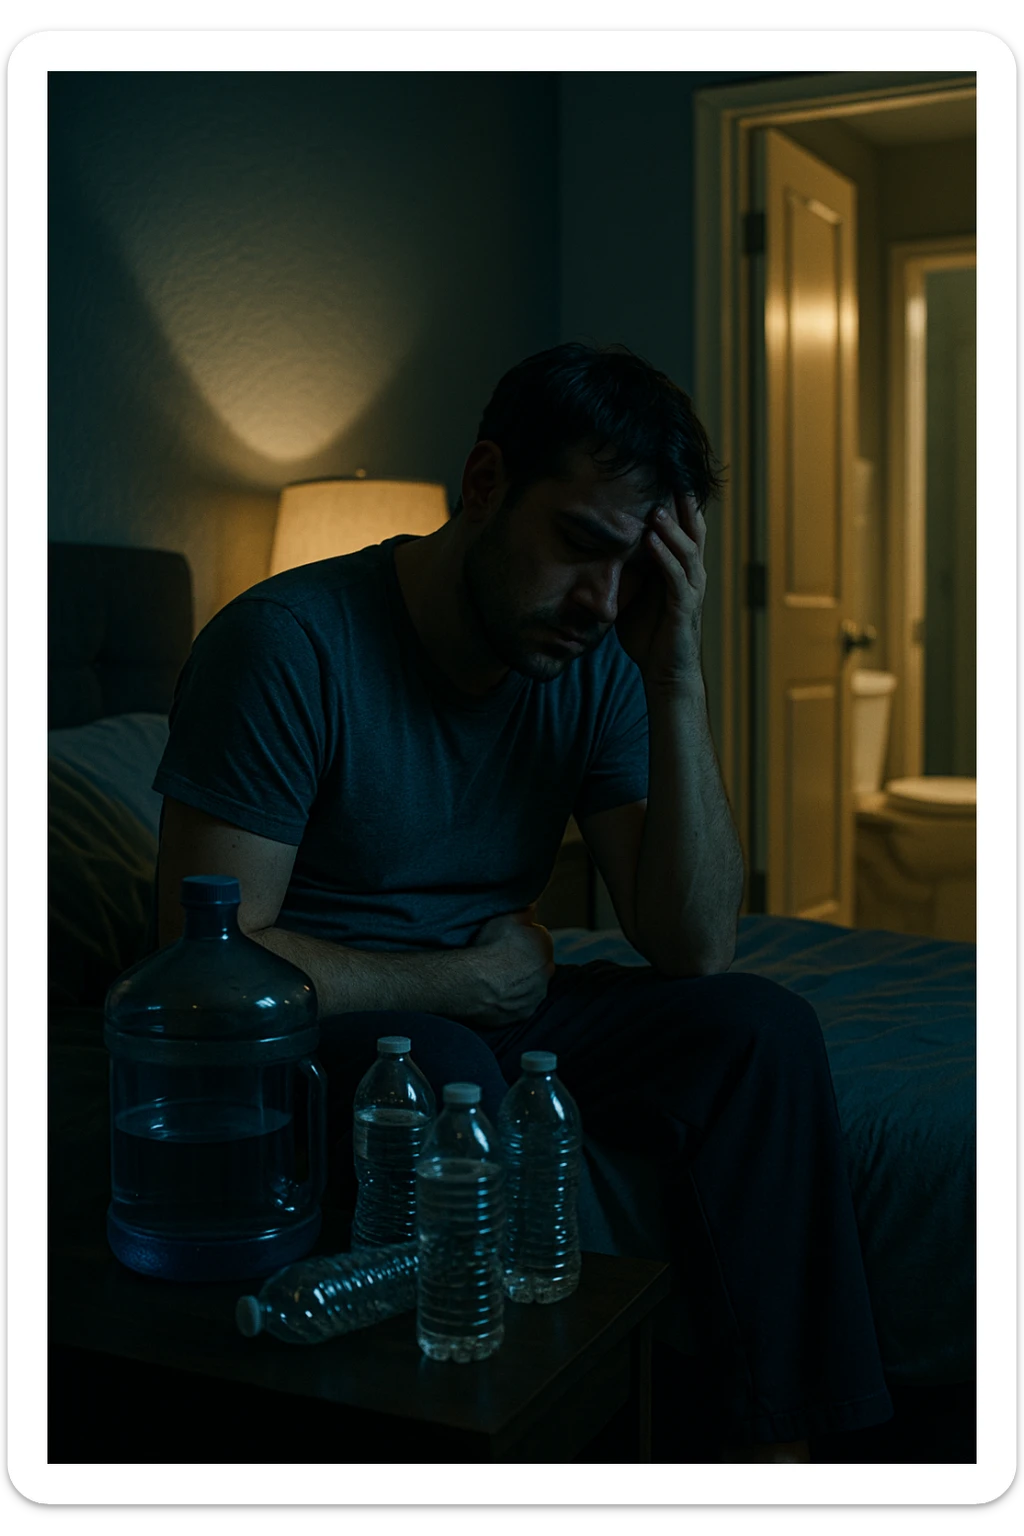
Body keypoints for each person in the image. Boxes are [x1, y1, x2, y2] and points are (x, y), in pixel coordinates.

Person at [152, 342, 893, 1461]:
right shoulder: (286, 646)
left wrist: (675, 668)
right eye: (582, 547)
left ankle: (789, 1451)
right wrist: (455, 979)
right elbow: (203, 964)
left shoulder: (594, 656)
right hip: (334, 1028)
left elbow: (691, 942)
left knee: (758, 1029)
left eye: (635, 574)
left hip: (504, 998)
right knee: (450, 1072)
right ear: (486, 482)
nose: (601, 603)